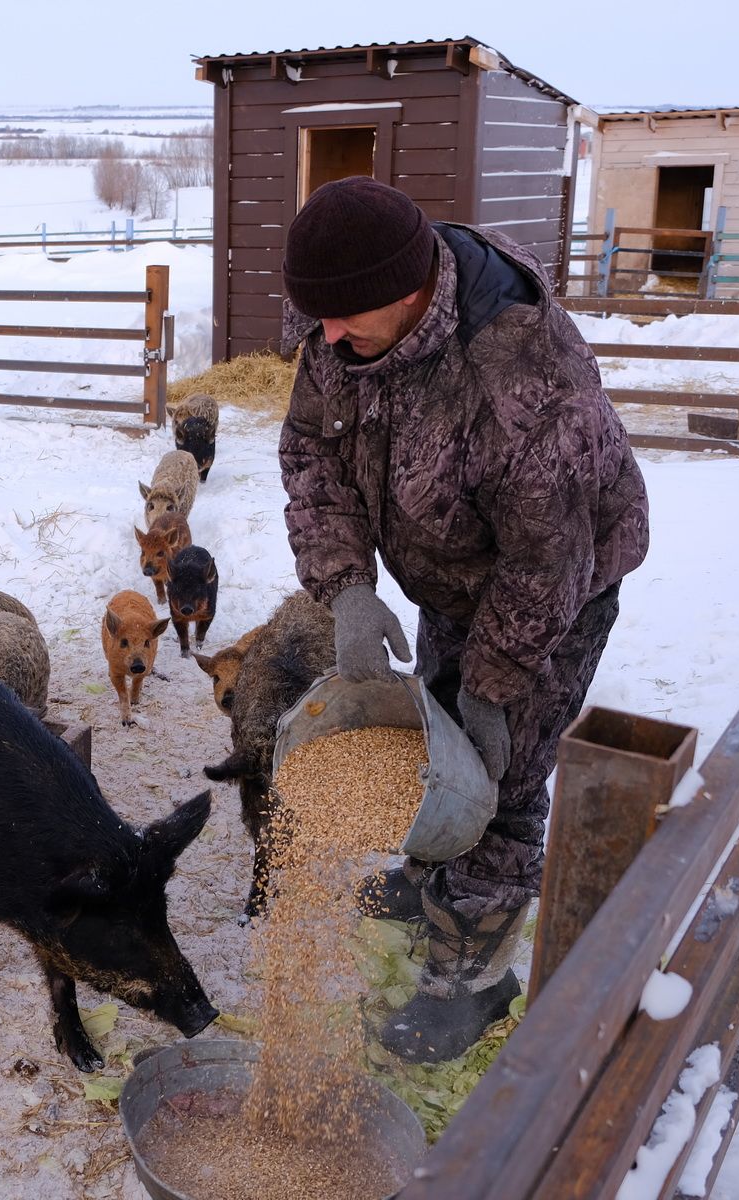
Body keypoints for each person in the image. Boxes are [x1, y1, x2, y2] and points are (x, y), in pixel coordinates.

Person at [277, 177, 650, 1062]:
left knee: (502, 771)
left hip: (554, 589)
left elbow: (545, 561)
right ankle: (433, 870)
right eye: (316, 319)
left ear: (408, 290)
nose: (325, 340)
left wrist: (495, 683)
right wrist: (346, 585)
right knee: (436, 728)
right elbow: (311, 451)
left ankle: (472, 976)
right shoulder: (346, 327)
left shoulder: (522, 375)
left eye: (342, 318)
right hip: (448, 574)